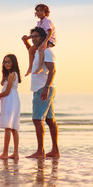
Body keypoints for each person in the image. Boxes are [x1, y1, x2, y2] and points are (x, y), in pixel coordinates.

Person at [22, 27, 60, 159]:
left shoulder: (47, 51)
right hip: (42, 88)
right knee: (49, 120)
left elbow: (53, 70)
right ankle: (55, 150)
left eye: (37, 36)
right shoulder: (39, 52)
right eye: (32, 36)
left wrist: (46, 88)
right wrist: (26, 43)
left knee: (37, 119)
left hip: (43, 89)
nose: (34, 39)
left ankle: (40, 151)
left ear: (44, 38)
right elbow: (31, 51)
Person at [0, 54, 21, 160]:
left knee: (9, 127)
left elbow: (7, 91)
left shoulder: (12, 74)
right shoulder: (8, 75)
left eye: (9, 61)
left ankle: (5, 153)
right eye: (5, 62)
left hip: (11, 100)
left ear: (13, 63)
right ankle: (15, 153)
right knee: (12, 127)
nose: (6, 64)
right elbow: (5, 91)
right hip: (9, 99)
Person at [24, 4, 57, 76]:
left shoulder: (47, 21)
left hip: (49, 40)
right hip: (42, 40)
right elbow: (36, 33)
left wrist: (45, 42)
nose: (39, 12)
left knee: (40, 48)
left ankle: (40, 67)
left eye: (41, 11)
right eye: (37, 11)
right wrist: (28, 38)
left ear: (45, 12)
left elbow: (50, 32)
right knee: (31, 50)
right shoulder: (39, 23)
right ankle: (30, 67)